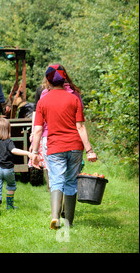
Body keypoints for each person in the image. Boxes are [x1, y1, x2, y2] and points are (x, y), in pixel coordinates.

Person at [31, 64, 98, 230]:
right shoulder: (74, 98)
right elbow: (80, 127)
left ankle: (55, 217)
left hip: (55, 147)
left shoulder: (43, 100)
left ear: (47, 80)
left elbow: (38, 129)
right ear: (64, 79)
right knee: (70, 182)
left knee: (56, 180)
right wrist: (89, 150)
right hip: (75, 146)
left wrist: (34, 152)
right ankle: (69, 221)